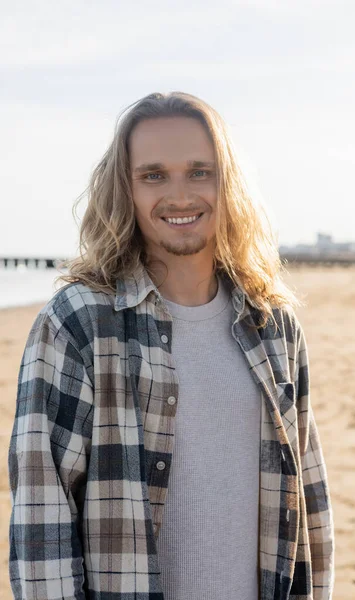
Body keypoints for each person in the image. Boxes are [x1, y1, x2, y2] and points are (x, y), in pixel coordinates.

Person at [8, 91, 334, 600]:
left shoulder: (275, 324)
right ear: (125, 189)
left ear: (228, 185)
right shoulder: (78, 323)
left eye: (200, 172)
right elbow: (41, 517)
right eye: (153, 175)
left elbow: (309, 497)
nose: (180, 195)